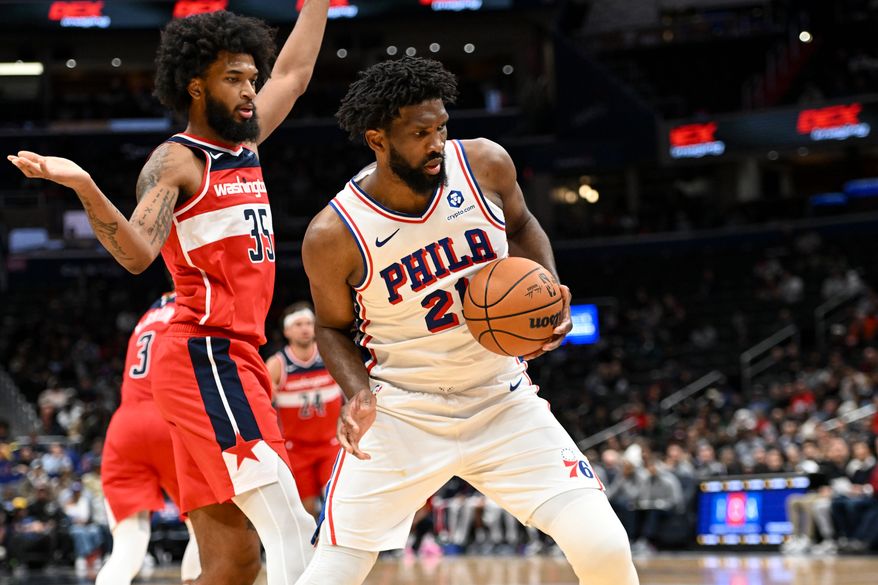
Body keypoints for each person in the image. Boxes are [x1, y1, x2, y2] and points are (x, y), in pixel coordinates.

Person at [8, 5, 329, 584]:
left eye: (251, 78)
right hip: (206, 355)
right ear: (196, 86)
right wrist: (83, 184)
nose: (250, 89)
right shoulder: (177, 162)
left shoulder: (247, 142)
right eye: (235, 78)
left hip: (237, 358)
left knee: (231, 564)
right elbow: (135, 254)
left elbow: (296, 72)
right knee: (290, 525)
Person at [295, 56, 639, 585]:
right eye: (419, 133)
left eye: (441, 128)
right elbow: (330, 327)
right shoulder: (334, 234)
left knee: (604, 545)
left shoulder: (485, 165)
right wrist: (356, 391)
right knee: (332, 571)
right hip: (403, 412)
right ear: (377, 140)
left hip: (500, 397)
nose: (436, 143)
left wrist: (551, 295)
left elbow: (524, 225)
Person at [96, 293, 201, 585]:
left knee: (127, 549)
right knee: (203, 535)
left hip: (124, 424)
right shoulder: (198, 302)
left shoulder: (148, 314)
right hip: (169, 418)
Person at [265, 302, 343, 518]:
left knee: (336, 501)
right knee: (305, 510)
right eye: (298, 324)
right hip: (296, 448)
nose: (305, 328)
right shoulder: (277, 364)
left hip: (330, 444)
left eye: (309, 323)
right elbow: (262, 407)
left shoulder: (331, 355)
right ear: (287, 331)